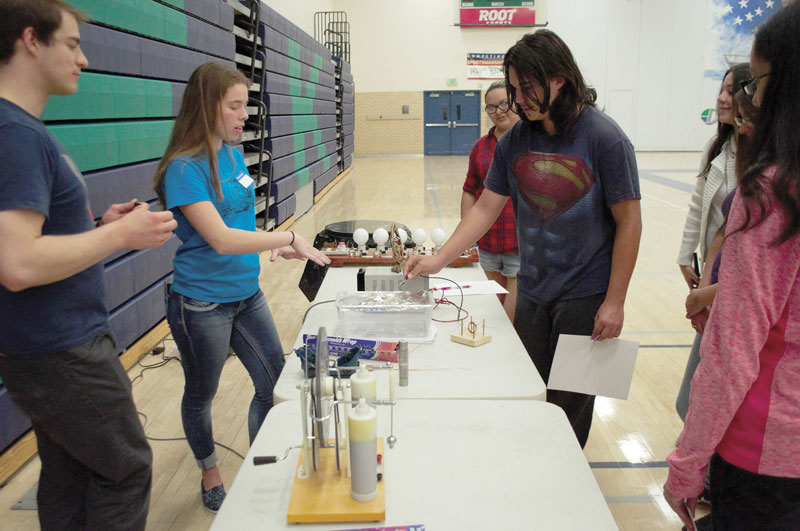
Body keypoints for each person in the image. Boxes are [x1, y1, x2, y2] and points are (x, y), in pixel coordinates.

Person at [405, 30, 642, 448]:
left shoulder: (605, 137)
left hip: (584, 297)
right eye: (513, 89)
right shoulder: (516, 139)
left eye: (526, 88)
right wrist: (438, 260)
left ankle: (564, 481)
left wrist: (615, 300)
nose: (518, 100)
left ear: (558, 79)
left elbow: (629, 221)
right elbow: (483, 207)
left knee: (570, 404)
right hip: (533, 292)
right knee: (532, 391)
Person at [0, 1, 178, 529]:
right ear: (32, 40)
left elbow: (31, 242)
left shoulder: (21, 130)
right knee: (126, 470)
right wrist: (121, 235)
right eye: (72, 44)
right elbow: (17, 263)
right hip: (63, 350)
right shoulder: (18, 135)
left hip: (42, 348)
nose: (83, 59)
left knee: (71, 474)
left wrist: (99, 228)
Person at [153, 62, 330, 513]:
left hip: (246, 294)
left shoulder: (232, 155)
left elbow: (243, 216)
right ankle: (210, 471)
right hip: (200, 304)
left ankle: (260, 470)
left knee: (273, 382)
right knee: (201, 393)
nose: (243, 115)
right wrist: (289, 237)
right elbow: (221, 238)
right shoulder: (183, 169)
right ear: (206, 107)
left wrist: (272, 245)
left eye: (245, 105)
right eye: (234, 106)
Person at [664, 4, 800, 529]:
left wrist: (687, 464)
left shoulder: (772, 190)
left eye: (757, 82)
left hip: (763, 454)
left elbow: (735, 348)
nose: (749, 97)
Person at [674, 63, 750, 422]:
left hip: (735, 287)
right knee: (695, 394)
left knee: (707, 394)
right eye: (721, 88)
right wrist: (687, 254)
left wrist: (710, 290)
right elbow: (699, 204)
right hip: (714, 275)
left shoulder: (765, 161)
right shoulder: (718, 146)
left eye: (731, 90)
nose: (721, 98)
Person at [461, 80, 521, 321]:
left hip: (520, 246)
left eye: (505, 103)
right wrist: (467, 234)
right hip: (488, 245)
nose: (499, 111)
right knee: (493, 314)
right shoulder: (480, 147)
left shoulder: (532, 143)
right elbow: (469, 190)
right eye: (491, 107)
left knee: (512, 317)